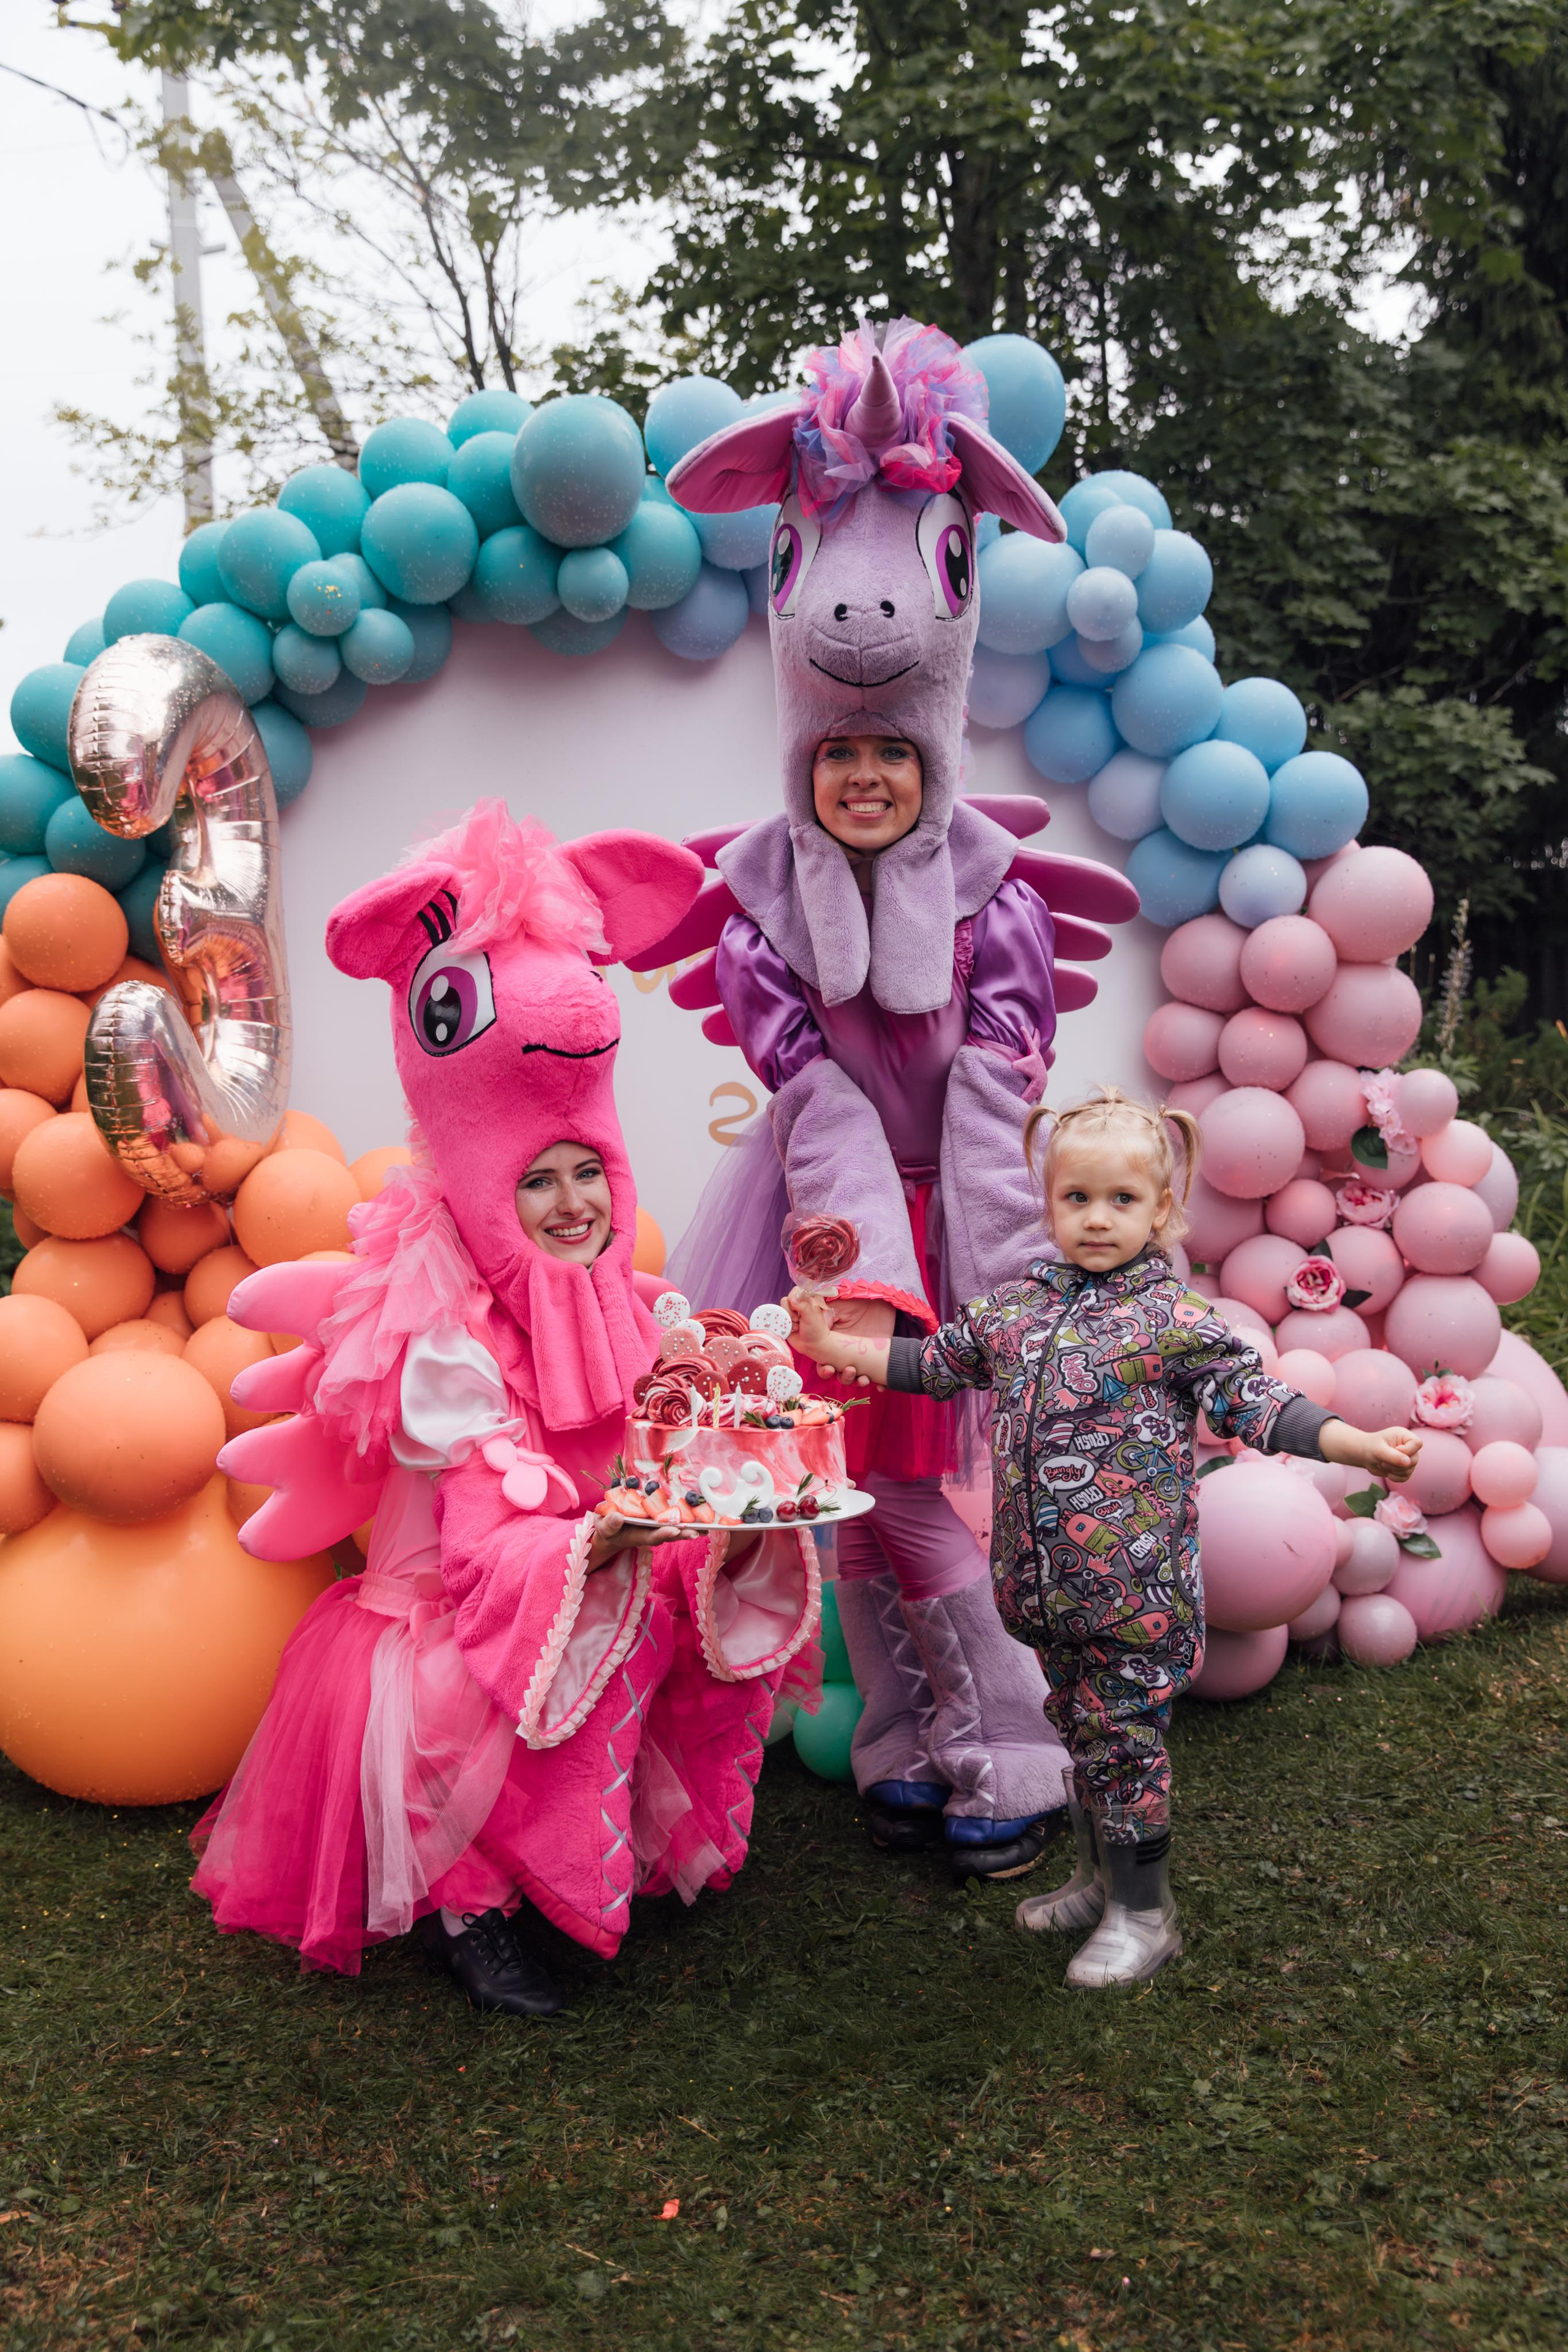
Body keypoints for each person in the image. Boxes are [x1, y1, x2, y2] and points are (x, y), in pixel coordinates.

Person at [192, 805, 820, 2017]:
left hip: (574, 1566)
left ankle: (587, 1849)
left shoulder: (609, 1301)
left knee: (664, 1608)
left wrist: (726, 1492)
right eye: (538, 1180)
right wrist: (607, 1539)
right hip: (456, 1600)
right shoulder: (437, 1316)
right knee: (469, 1705)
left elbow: (655, 1444)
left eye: (589, 1172)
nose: (573, 1201)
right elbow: (489, 1519)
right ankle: (470, 1901)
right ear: (491, 1187)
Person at [657, 316, 1144, 1879]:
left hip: (950, 1233)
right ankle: (905, 1740)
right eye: (837, 756)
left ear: (927, 755)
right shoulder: (762, 913)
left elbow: (999, 1088)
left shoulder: (990, 899)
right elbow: (802, 1086)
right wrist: (849, 1249)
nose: (863, 773)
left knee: (927, 1500)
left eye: (889, 754)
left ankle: (1011, 1741)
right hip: (817, 1234)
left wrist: (993, 1283)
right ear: (804, 763)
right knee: (852, 1502)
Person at [787, 1087, 1422, 1988]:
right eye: (1076, 1198)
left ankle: (1145, 1912)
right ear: (1047, 1204)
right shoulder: (1016, 1313)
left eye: (1121, 1200)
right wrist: (837, 1346)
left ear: (1162, 1209)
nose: (1096, 1218)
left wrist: (1353, 1440)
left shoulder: (1176, 1324)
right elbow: (929, 1365)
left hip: (1135, 1595)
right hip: (1045, 1593)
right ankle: (1096, 1879)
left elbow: (1261, 1404)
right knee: (1081, 1732)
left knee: (1124, 1744)